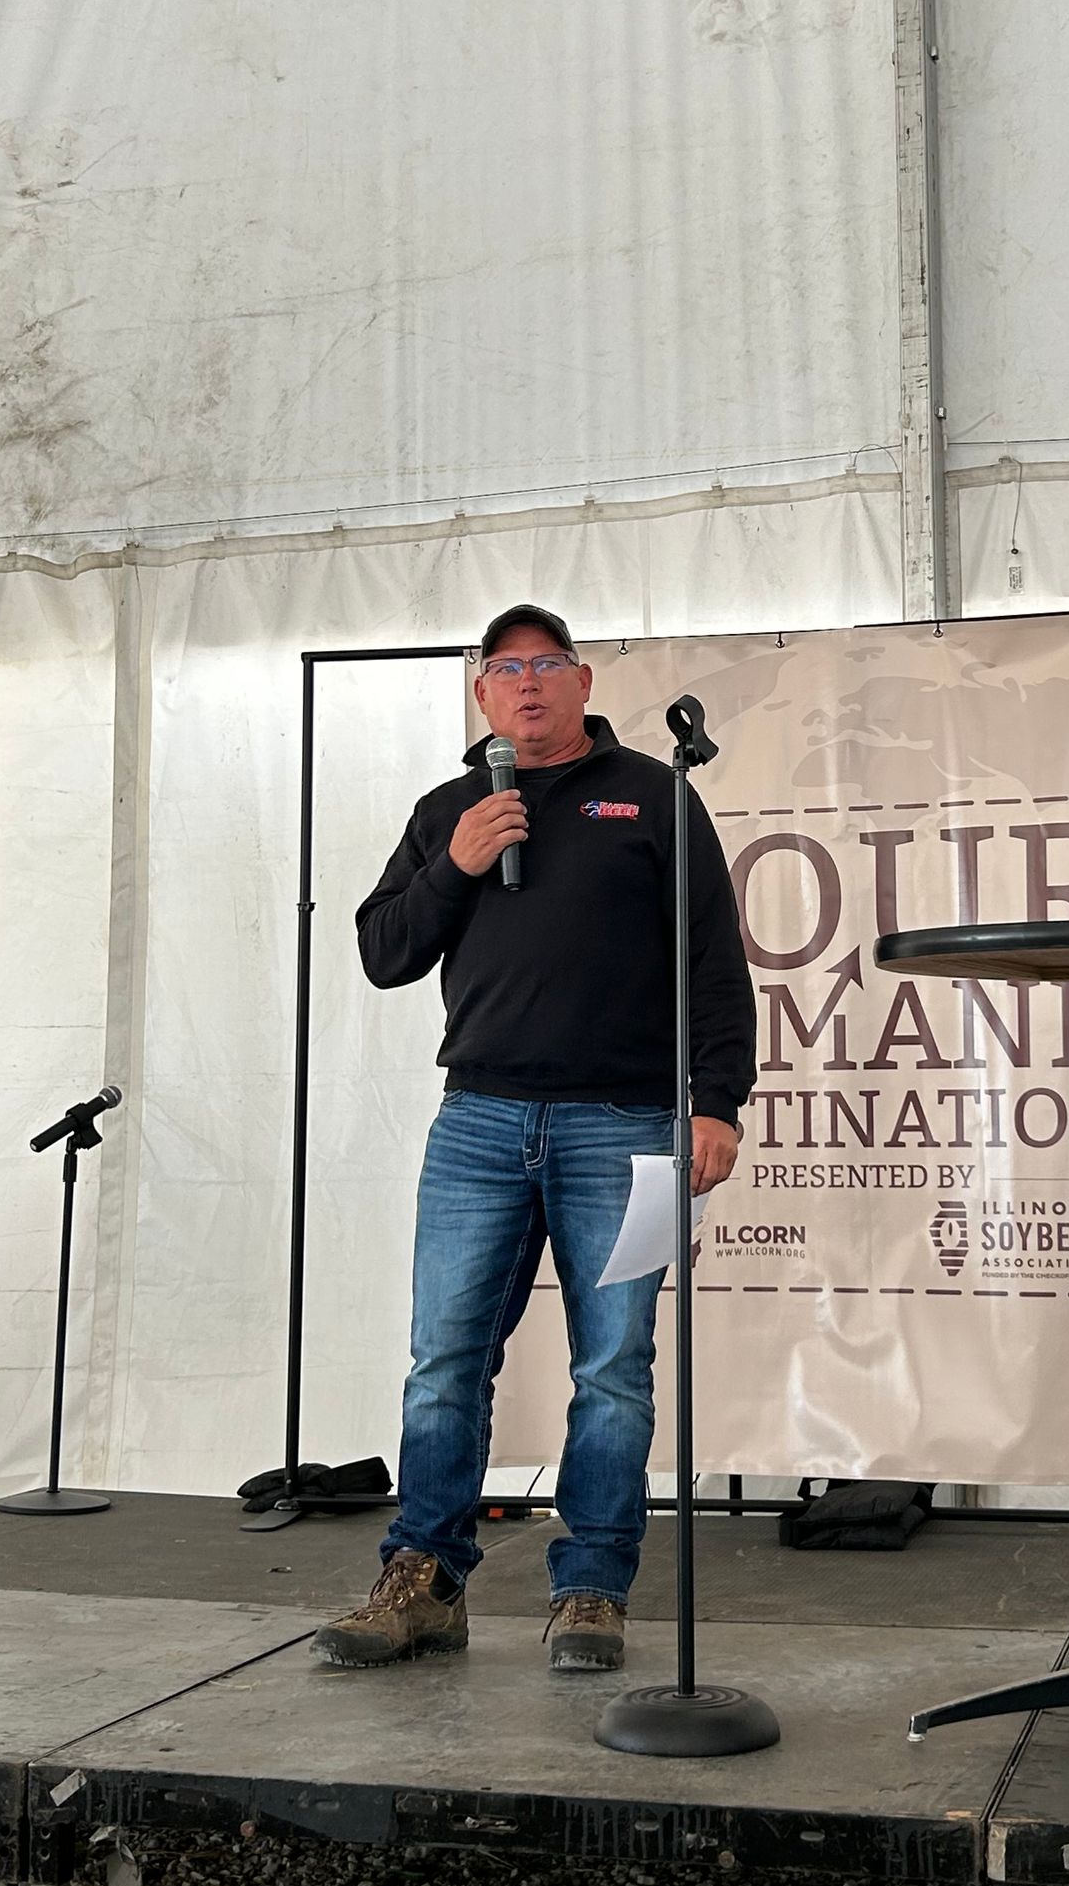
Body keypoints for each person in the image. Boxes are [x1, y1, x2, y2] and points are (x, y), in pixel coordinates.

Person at [314, 605, 757, 1675]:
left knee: (615, 1365)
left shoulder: (657, 795)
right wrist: (456, 866)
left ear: (583, 679)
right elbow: (383, 952)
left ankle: (593, 1588)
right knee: (444, 1360)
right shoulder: (451, 808)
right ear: (481, 694)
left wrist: (717, 1100)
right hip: (478, 1122)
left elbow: (714, 960)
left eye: (546, 664)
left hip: (627, 1124)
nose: (526, 683)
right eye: (505, 668)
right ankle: (423, 1577)